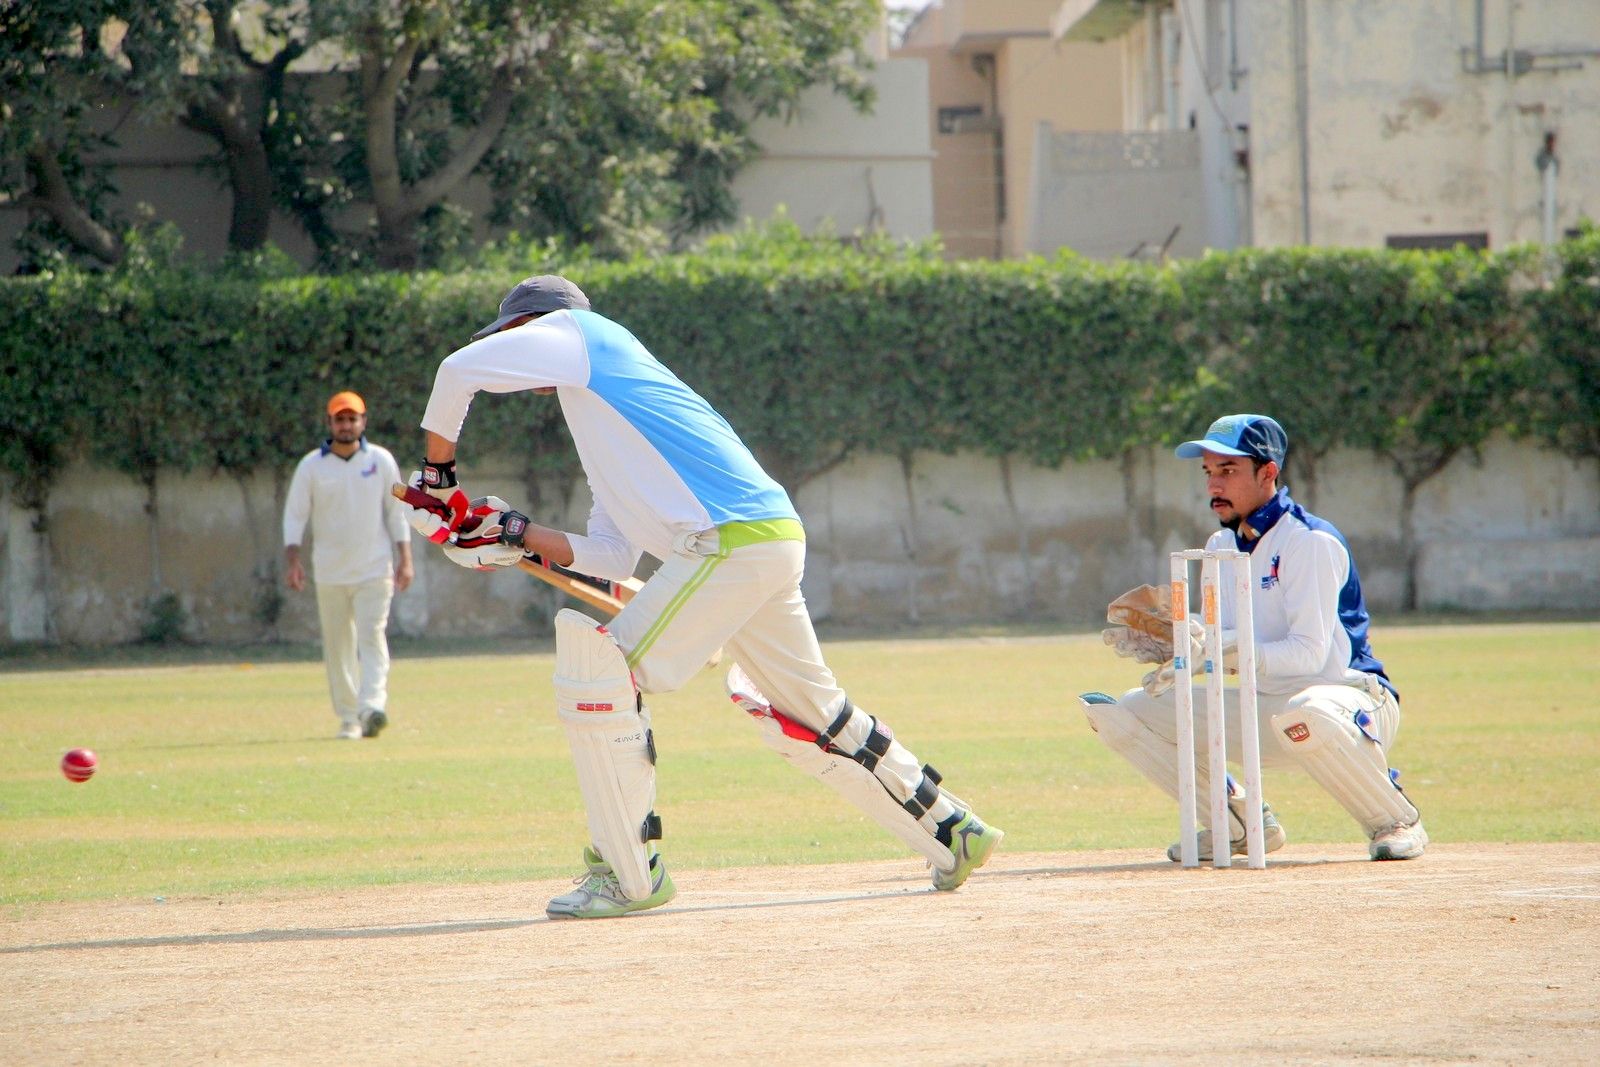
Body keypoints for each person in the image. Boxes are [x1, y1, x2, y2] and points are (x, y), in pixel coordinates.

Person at [407, 274, 1003, 919]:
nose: (513, 353)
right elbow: (610, 555)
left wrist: (438, 482)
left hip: (726, 541)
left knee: (602, 676)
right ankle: (954, 831)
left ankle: (629, 876)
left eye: (511, 334)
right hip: (765, 537)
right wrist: (513, 532)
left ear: (533, 325)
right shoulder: (607, 410)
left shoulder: (581, 332)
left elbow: (457, 370)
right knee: (816, 713)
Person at [1080, 414, 1428, 862]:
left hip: (1349, 701)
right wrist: (1183, 640)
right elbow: (1225, 636)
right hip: (1265, 707)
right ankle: (1236, 823)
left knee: (1308, 709)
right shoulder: (1220, 547)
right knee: (1129, 711)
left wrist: (1225, 648)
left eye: (1228, 470)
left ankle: (1395, 819)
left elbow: (1308, 655)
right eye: (1209, 471)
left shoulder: (1309, 541)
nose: (1214, 484)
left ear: (1268, 472)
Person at [283, 391, 413, 740]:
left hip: (375, 569)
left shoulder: (381, 460)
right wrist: (293, 562)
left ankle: (371, 707)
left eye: (352, 419)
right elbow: (295, 516)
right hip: (330, 572)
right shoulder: (311, 466)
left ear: (363, 422)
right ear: (329, 423)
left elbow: (396, 513)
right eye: (339, 419)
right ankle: (349, 717)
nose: (346, 425)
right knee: (338, 646)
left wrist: (406, 559)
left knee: (372, 637)